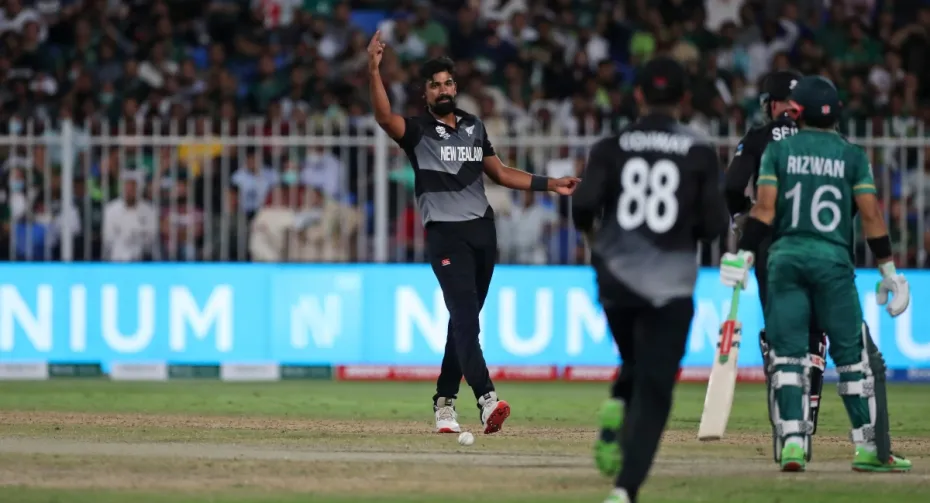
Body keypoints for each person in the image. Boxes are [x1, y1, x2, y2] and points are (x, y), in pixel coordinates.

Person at [366, 31, 579, 435]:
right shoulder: (417, 131)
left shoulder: (473, 126)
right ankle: (487, 399)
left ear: (456, 88)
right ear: (425, 94)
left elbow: (501, 173)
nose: (443, 89)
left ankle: (444, 403)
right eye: (434, 85)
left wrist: (551, 184)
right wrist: (374, 71)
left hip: (482, 232)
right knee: (466, 318)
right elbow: (383, 117)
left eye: (448, 83)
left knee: (462, 322)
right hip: (446, 236)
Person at [719, 75, 912, 473]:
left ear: (797, 111)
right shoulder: (853, 155)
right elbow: (871, 216)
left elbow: (764, 211)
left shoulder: (778, 150)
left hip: (785, 260)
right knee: (852, 360)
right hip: (833, 263)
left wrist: (744, 255)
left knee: (788, 355)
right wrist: (890, 270)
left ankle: (792, 443)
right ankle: (868, 448)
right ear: (837, 112)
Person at [571, 57, 729, 503]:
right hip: (670, 284)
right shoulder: (698, 150)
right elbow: (714, 225)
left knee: (635, 361)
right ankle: (625, 489)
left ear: (637, 95)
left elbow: (582, 205)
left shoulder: (610, 146)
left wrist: (598, 244)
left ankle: (619, 403)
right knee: (656, 386)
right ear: (684, 99)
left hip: (615, 279)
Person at [724, 70, 829, 458]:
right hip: (819, 243)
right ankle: (808, 419)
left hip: (771, 243)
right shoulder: (825, 138)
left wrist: (743, 215)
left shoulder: (758, 137)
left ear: (772, 104)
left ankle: (786, 421)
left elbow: (731, 186)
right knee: (814, 332)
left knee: (782, 333)